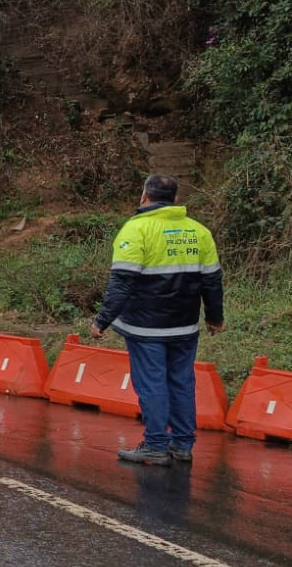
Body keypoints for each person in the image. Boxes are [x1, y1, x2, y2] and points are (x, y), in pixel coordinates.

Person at [90, 174, 224, 467]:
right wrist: (215, 317)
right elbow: (212, 281)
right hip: (185, 326)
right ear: (175, 199)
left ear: (144, 196)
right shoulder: (199, 232)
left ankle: (155, 444)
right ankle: (182, 444)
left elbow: (122, 281)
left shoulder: (136, 229)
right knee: (182, 382)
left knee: (152, 383)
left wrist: (102, 319)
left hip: (146, 326)